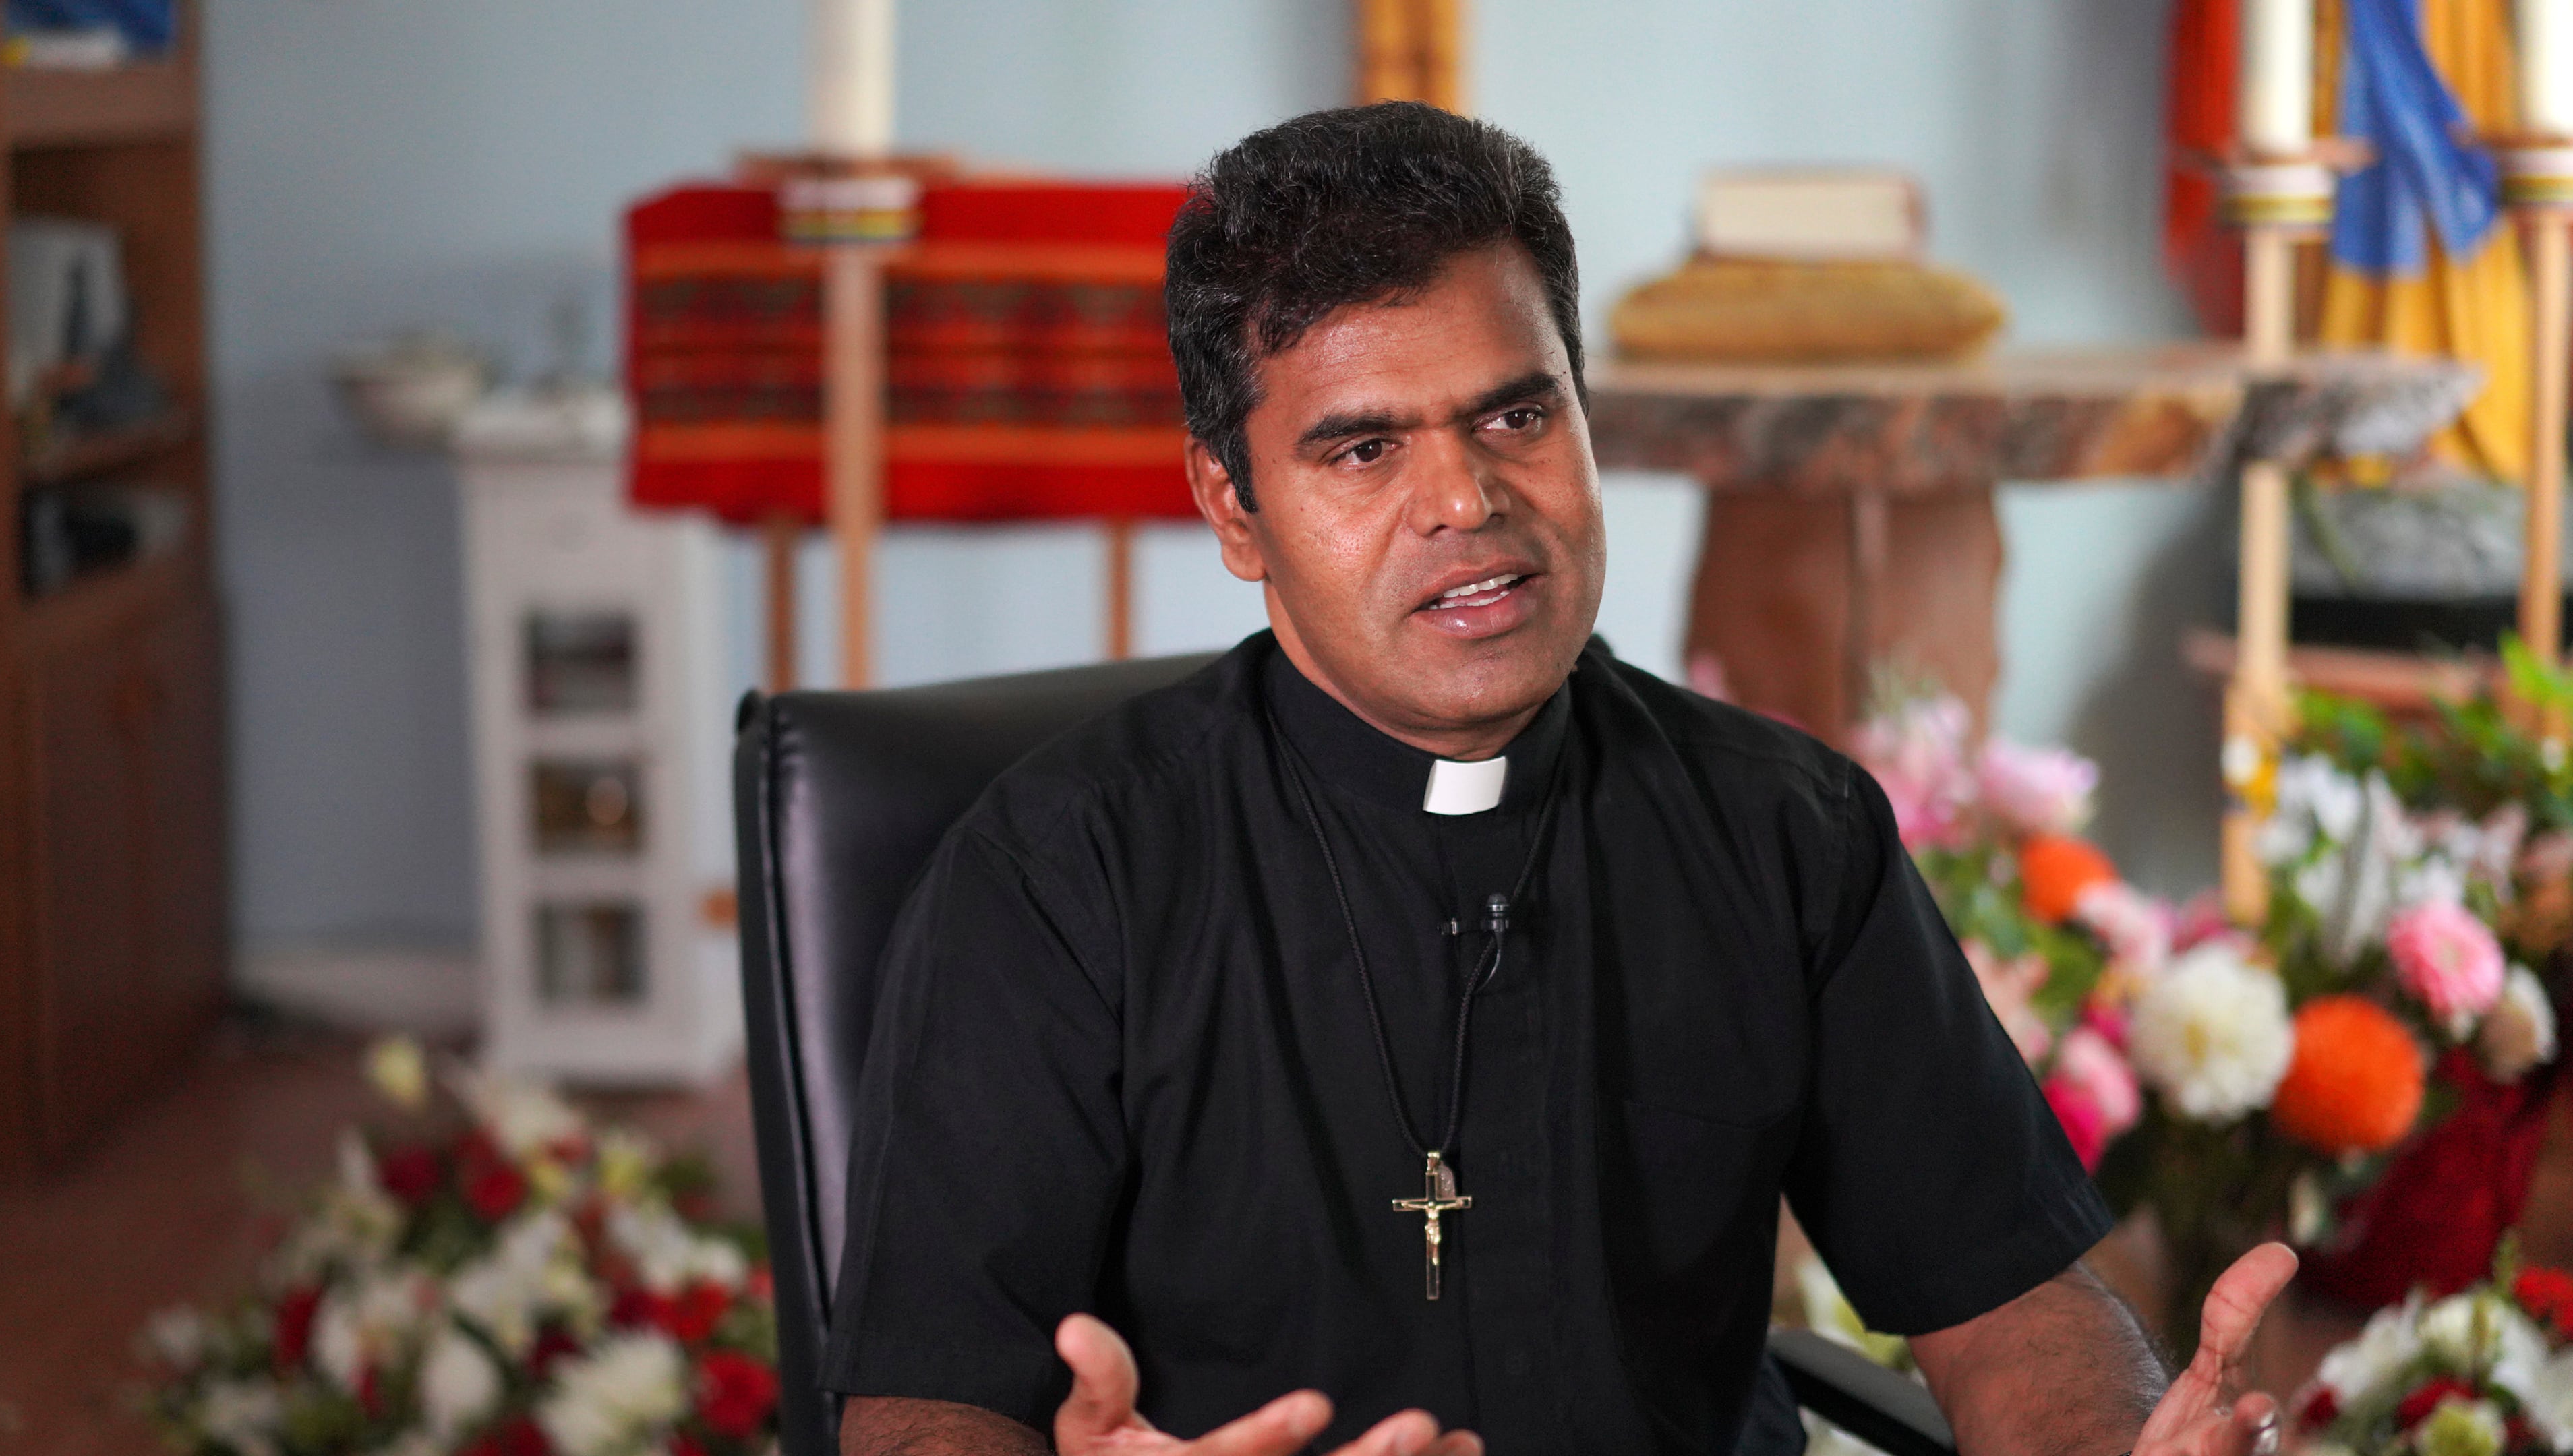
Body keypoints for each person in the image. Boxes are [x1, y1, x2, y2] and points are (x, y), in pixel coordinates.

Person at [826, 102, 2296, 1456]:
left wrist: (2115, 1440)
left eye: (1516, 415)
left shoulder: (1784, 829)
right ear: (1235, 504)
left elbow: (2011, 1305)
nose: (1466, 499)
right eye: (1362, 449)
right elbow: (922, 1401)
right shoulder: (1059, 874)